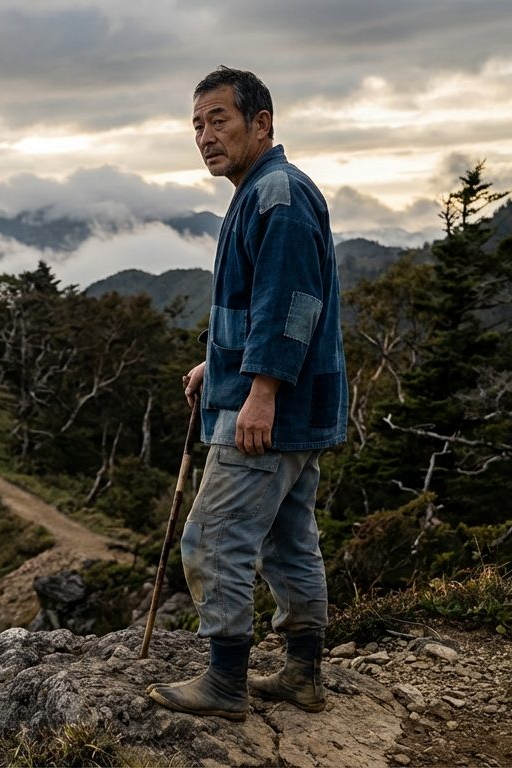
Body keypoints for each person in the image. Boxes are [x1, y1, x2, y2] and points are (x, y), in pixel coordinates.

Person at [147, 66, 347, 721]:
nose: (205, 135)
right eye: (197, 125)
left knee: (212, 540)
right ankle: (302, 674)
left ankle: (226, 684)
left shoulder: (277, 195)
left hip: (270, 411)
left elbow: (290, 305)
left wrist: (258, 393)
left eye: (219, 120)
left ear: (262, 124)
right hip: (289, 404)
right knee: (289, 542)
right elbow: (254, 307)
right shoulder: (262, 191)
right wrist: (218, 366)